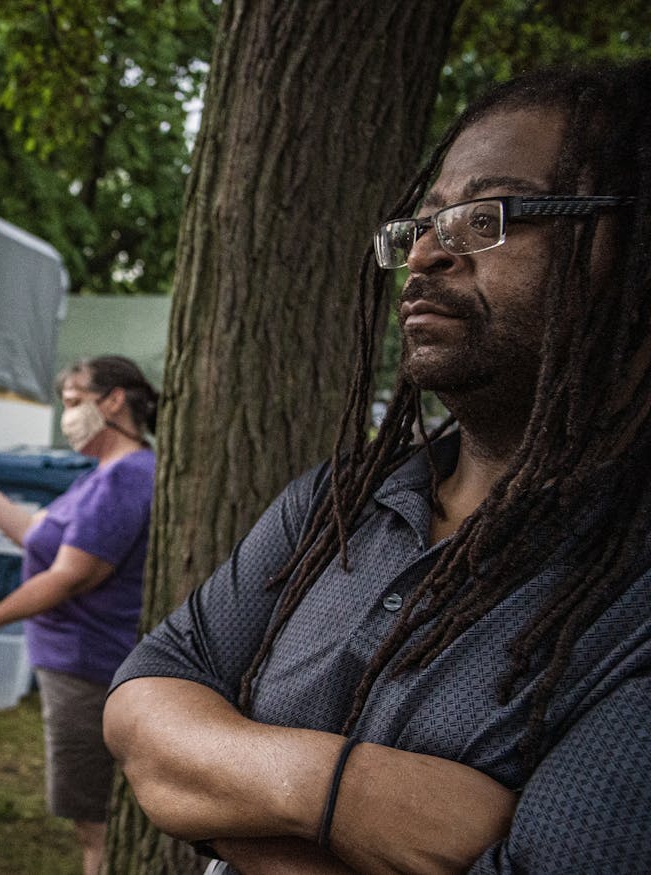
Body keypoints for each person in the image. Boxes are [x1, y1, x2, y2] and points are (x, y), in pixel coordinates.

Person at [104, 61, 651, 873]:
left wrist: (221, 799)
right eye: (423, 224)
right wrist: (341, 795)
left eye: (485, 216)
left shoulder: (627, 588)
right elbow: (147, 699)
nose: (425, 254)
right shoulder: (339, 501)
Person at [0, 355, 158, 875]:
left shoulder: (125, 478)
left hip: (88, 667)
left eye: (74, 402)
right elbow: (32, 531)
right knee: (91, 820)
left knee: (95, 828)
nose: (68, 417)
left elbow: (70, 575)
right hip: (75, 665)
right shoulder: (99, 476)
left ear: (114, 401)